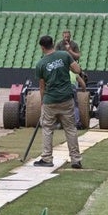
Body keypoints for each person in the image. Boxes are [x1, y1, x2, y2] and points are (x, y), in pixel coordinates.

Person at [33, 35, 83, 169]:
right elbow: (77, 70)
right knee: (71, 129)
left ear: (42, 47)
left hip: (50, 100)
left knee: (48, 129)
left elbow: (42, 86)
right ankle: (75, 159)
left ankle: (47, 158)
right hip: (66, 99)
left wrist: (43, 102)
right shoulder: (64, 55)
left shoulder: (41, 64)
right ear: (53, 44)